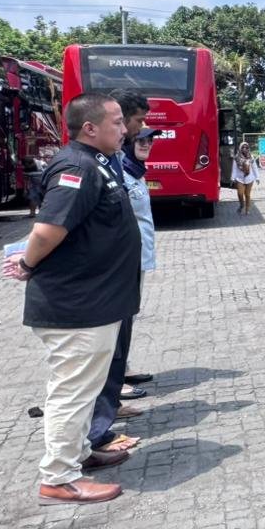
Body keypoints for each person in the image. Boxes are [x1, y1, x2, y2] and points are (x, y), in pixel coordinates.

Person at [2, 93, 141, 505]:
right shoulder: (76, 168)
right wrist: (27, 264)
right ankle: (58, 479)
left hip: (96, 303)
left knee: (86, 388)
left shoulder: (96, 162)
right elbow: (48, 230)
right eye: (117, 122)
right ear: (90, 128)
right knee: (72, 392)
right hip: (78, 306)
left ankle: (79, 453)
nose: (124, 128)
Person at [84, 126, 161, 455]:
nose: (146, 145)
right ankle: (98, 427)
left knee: (121, 335)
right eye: (139, 139)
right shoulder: (111, 172)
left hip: (134, 260)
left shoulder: (132, 171)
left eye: (150, 141)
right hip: (118, 266)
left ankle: (111, 404)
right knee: (110, 343)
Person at [105, 90, 153, 400]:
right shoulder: (104, 161)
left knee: (126, 317)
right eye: (137, 121)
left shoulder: (123, 160)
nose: (139, 128)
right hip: (117, 257)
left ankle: (119, 371)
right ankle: (111, 384)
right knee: (114, 321)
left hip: (131, 254)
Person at [232, 142, 261, 214]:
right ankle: (242, 205)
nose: (244, 149)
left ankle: (247, 209)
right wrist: (232, 178)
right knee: (240, 193)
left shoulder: (251, 157)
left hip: (249, 179)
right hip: (239, 179)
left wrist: (257, 177)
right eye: (243, 147)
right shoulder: (236, 157)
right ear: (240, 148)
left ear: (248, 148)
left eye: (246, 147)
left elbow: (254, 168)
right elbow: (234, 169)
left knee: (247, 195)